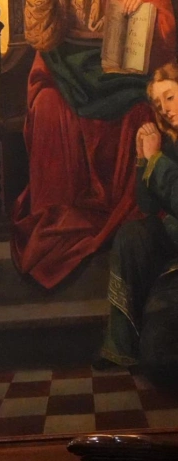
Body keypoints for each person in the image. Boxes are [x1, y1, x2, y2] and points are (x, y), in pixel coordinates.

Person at [12, 0, 176, 289]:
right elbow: (41, 36)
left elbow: (166, 31)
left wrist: (144, 8)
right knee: (47, 107)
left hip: (121, 68)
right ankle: (59, 218)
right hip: (62, 66)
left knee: (141, 112)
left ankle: (131, 216)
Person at [97, 63, 178, 381]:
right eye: (159, 105)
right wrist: (143, 157)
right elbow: (147, 206)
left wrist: (156, 160)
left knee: (160, 360)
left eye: (170, 97)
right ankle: (120, 346)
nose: (166, 110)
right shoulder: (171, 142)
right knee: (132, 235)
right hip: (172, 240)